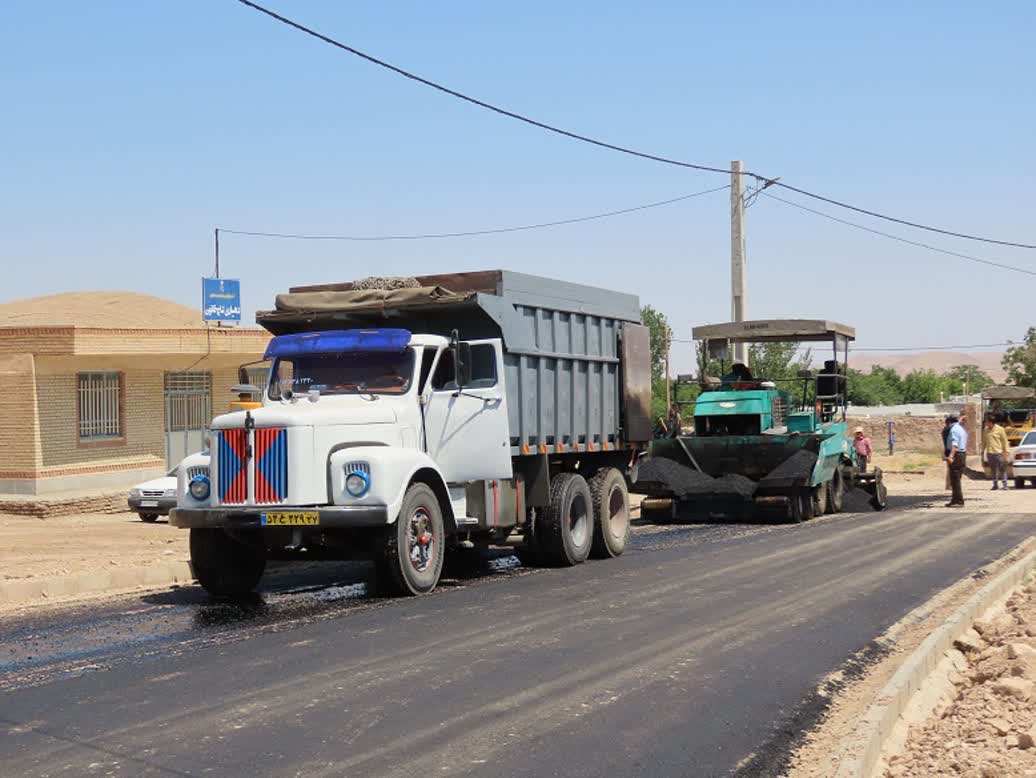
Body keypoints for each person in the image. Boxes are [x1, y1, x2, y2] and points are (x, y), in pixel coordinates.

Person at [946, 414, 968, 507]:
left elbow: (955, 445)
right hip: (962, 454)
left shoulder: (954, 430)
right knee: (956, 478)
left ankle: (959, 500)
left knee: (955, 479)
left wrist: (951, 456)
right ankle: (954, 499)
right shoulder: (961, 428)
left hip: (956, 455)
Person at [983, 416, 1010, 490]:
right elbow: (984, 441)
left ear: (990, 422)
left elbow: (1004, 441)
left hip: (999, 453)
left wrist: (1006, 451)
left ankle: (1005, 485)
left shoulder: (1000, 429)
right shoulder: (985, 430)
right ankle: (995, 485)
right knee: (993, 469)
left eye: (987, 422)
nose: (985, 423)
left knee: (1002, 469)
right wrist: (983, 451)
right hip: (990, 453)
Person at [942, 415, 956, 491]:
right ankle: (950, 485)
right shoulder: (951, 428)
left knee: (950, 468)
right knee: (952, 468)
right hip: (951, 450)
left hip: (947, 450)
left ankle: (948, 485)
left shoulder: (946, 429)